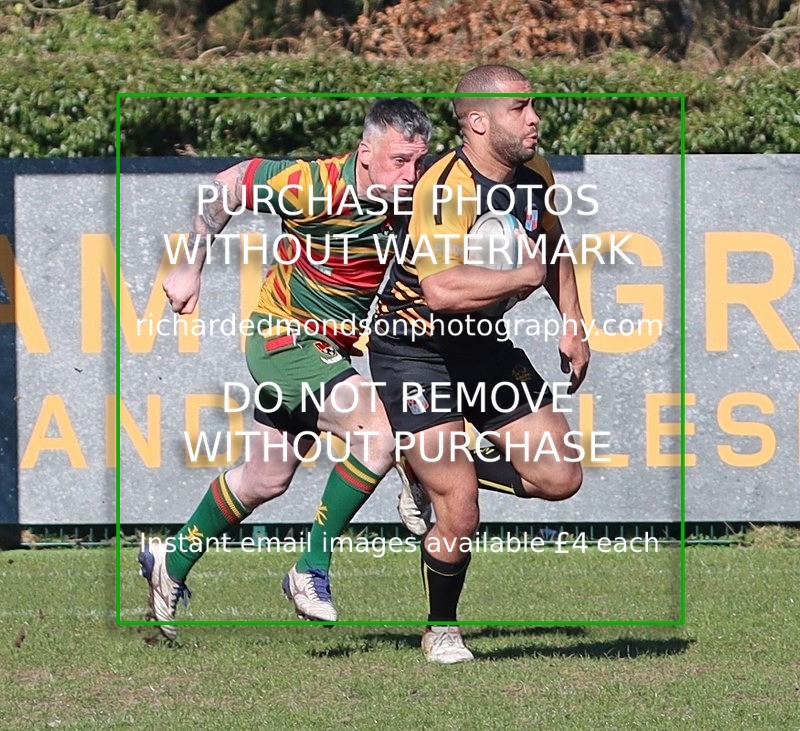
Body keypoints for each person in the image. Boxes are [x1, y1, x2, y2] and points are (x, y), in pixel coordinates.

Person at [139, 98, 431, 639]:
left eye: (418, 161)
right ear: (365, 153)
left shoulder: (413, 194)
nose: (411, 175)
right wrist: (189, 265)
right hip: (284, 339)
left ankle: (170, 561)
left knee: (263, 479)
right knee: (378, 432)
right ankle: (310, 569)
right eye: (399, 161)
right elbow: (227, 185)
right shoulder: (312, 184)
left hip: (329, 350)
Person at [369, 65, 590, 663]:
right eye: (519, 108)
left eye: (532, 105)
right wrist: (522, 276)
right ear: (477, 122)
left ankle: (424, 469)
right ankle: (441, 629)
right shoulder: (445, 186)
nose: (534, 118)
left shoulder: (536, 174)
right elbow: (440, 290)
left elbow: (553, 245)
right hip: (412, 346)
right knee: (461, 509)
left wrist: (572, 321)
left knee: (559, 477)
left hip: (480, 343)